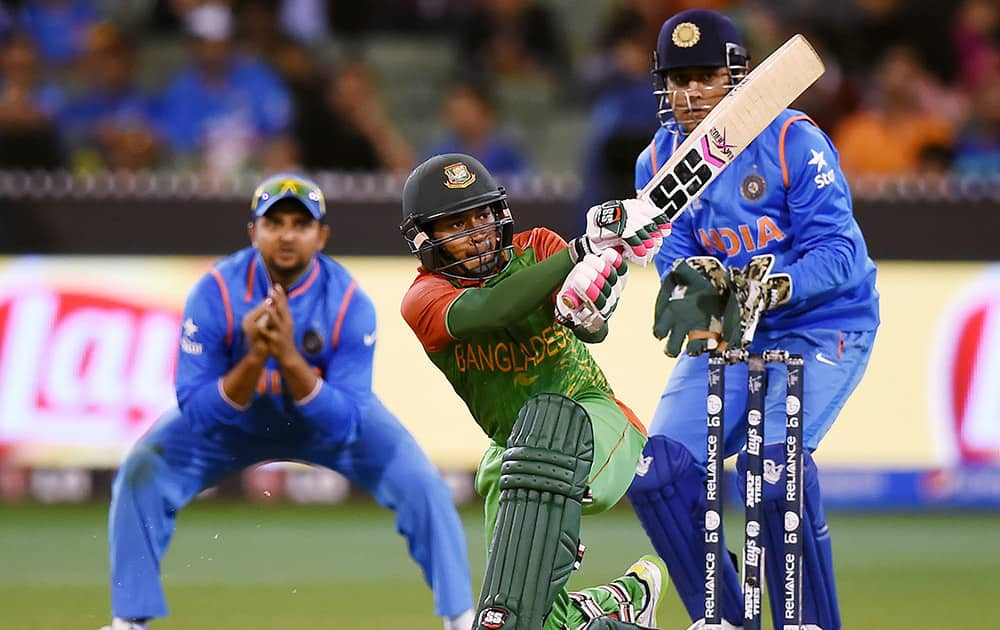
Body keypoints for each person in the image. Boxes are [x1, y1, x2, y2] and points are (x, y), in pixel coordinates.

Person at [99, 174, 475, 630]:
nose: (287, 234)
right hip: (236, 423)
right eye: (274, 222)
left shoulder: (348, 301)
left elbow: (347, 423)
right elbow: (197, 412)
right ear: (253, 231)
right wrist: (256, 357)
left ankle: (461, 618)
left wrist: (289, 358)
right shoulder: (215, 292)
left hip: (323, 422)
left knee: (423, 485)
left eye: (301, 223)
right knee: (142, 471)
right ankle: (129, 623)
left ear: (322, 236)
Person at [625, 10, 879, 630]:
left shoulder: (795, 140)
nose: (689, 94)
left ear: (737, 76)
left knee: (772, 471)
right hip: (735, 330)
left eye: (705, 75)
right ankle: (728, 618)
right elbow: (675, 253)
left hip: (822, 323)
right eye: (676, 79)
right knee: (656, 473)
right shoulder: (658, 159)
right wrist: (693, 288)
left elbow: (842, 253)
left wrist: (781, 284)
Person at [399, 152, 670, 630]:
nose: (477, 231)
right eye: (455, 223)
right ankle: (620, 604)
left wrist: (595, 299)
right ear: (426, 240)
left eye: (481, 215)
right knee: (520, 616)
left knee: (544, 486)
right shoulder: (423, 298)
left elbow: (592, 331)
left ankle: (594, 578)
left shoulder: (539, 246)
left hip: (592, 420)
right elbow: (488, 309)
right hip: (510, 457)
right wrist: (582, 249)